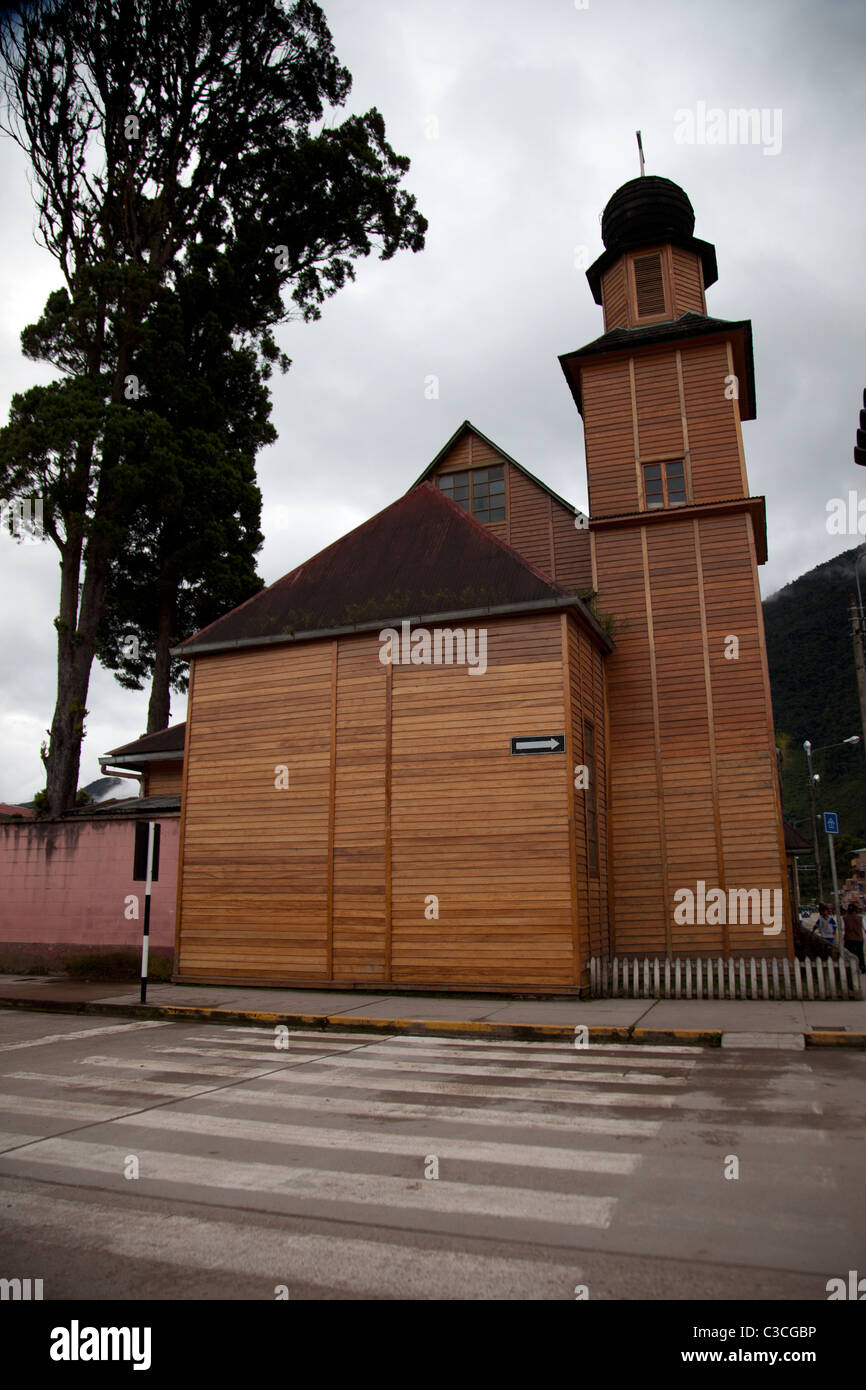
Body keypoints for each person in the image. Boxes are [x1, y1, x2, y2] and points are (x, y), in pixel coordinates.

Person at [843, 901, 866, 973]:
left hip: (848, 939)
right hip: (859, 939)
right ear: (855, 910)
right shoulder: (860, 918)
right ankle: (862, 967)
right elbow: (865, 928)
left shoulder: (844, 918)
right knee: (860, 953)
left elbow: (842, 928)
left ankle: (850, 968)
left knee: (849, 954)